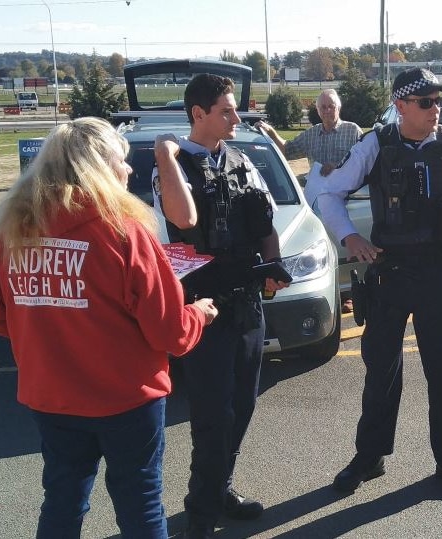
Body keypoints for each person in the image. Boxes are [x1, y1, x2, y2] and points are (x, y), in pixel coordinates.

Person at [0, 117, 218, 539]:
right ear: (100, 166)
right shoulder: (123, 231)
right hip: (126, 399)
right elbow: (171, 334)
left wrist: (52, 324)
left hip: (50, 396)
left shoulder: (13, 232)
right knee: (140, 504)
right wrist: (199, 312)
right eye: (121, 160)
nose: (128, 170)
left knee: (62, 500)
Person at [317, 67, 442, 498]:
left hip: (439, 272)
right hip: (389, 271)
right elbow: (329, 193)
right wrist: (349, 236)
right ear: (400, 106)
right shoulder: (375, 144)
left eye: (438, 101)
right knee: (380, 369)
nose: (435, 108)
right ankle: (370, 457)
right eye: (425, 102)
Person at [152, 73, 289, 539]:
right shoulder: (171, 168)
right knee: (212, 416)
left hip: (247, 301)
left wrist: (273, 264)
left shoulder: (242, 160)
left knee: (243, 405)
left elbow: (265, 218)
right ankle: (201, 512)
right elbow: (183, 217)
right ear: (198, 114)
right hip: (203, 307)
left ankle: (221, 487)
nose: (236, 117)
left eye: (235, 109)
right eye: (226, 110)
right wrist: (166, 153)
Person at [256, 88, 363, 313]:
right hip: (315, 202)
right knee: (320, 246)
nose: (327, 111)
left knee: (344, 246)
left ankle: (348, 293)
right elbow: (287, 150)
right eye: (322, 107)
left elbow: (364, 162)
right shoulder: (312, 133)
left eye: (331, 106)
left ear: (338, 107)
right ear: (316, 109)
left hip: (346, 200)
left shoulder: (352, 130)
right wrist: (271, 132)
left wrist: (338, 167)